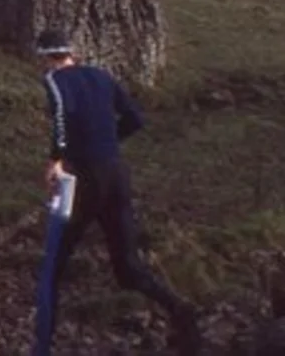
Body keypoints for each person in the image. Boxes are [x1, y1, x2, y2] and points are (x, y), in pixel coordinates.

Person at [31, 28, 200, 354]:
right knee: (128, 268)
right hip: (116, 174)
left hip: (82, 179)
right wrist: (107, 144)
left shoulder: (54, 81)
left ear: (45, 57)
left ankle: (42, 348)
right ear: (72, 52)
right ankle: (181, 311)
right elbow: (135, 118)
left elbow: (63, 118)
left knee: (52, 268)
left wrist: (57, 159)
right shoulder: (101, 76)